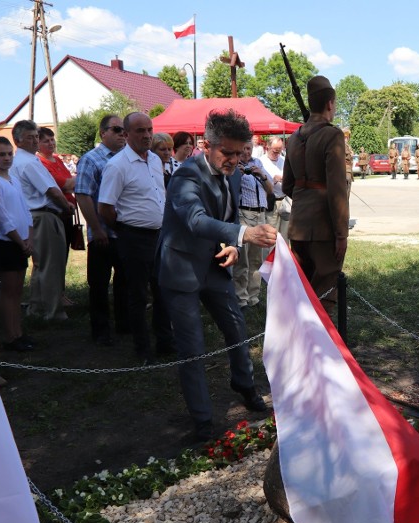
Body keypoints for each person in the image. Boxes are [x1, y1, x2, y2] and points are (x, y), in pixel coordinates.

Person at [157, 109, 276, 440]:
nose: (235, 160)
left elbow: (225, 213)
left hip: (214, 264)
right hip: (180, 268)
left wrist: (232, 245)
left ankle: (244, 384)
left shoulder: (234, 172)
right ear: (205, 145)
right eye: (228, 152)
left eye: (240, 152)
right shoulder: (184, 177)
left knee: (237, 327)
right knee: (192, 346)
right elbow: (195, 220)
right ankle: (203, 420)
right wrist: (244, 235)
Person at [98, 112, 173, 363]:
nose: (147, 135)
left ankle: (164, 341)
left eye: (149, 129)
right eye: (140, 131)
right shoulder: (117, 165)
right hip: (133, 237)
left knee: (163, 290)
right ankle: (142, 349)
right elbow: (105, 207)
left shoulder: (154, 160)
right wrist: (124, 230)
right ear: (126, 134)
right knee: (138, 294)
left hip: (159, 236)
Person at [282, 75, 349, 314]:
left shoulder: (294, 137)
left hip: (298, 226)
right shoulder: (332, 135)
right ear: (330, 103)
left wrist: (306, 195)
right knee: (324, 295)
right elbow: (337, 191)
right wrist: (341, 234)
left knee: (302, 291)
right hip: (324, 229)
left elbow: (286, 186)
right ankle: (321, 348)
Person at [10, 120, 74, 321]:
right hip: (43, 215)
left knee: (40, 265)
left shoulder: (20, 160)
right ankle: (53, 311)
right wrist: (67, 206)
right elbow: (52, 190)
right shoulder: (29, 162)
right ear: (18, 140)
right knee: (51, 265)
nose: (35, 141)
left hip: (32, 215)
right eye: (30, 137)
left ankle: (37, 307)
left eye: (36, 136)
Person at [74, 114, 129, 346]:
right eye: (116, 130)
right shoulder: (91, 159)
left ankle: (124, 325)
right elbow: (83, 194)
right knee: (98, 284)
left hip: (125, 232)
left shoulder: (128, 158)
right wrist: (96, 229)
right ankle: (101, 330)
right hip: (102, 233)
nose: (121, 134)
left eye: (124, 130)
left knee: (125, 282)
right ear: (103, 132)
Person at [0, 137, 34, 351]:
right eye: (1, 154)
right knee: (8, 290)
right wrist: (19, 241)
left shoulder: (12, 179)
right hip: (5, 243)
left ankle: (18, 332)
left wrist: (29, 237)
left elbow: (25, 209)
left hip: (21, 241)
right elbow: (2, 218)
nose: (6, 158)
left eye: (9, 154)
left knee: (17, 291)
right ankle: (10, 336)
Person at [233, 139, 274, 309]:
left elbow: (270, 190)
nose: (246, 152)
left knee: (257, 259)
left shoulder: (258, 163)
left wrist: (261, 175)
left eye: (249, 149)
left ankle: (253, 296)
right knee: (243, 259)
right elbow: (229, 188)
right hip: (244, 212)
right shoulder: (234, 167)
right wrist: (238, 175)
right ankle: (240, 297)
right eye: (243, 149)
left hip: (261, 214)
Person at [37, 126, 77, 285]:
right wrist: (73, 182)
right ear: (38, 143)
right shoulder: (40, 162)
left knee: (64, 252)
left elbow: (69, 184)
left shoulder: (57, 159)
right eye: (46, 140)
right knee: (55, 256)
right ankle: (55, 292)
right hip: (55, 214)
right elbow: (65, 184)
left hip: (67, 212)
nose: (50, 143)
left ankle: (60, 290)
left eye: (52, 139)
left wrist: (70, 183)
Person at [260, 136, 289, 240]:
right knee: (271, 235)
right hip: (271, 201)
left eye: (279, 150)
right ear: (267, 147)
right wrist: (273, 180)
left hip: (285, 201)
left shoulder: (283, 159)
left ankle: (284, 255)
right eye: (275, 151)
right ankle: (271, 256)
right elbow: (259, 184)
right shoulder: (261, 162)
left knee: (285, 235)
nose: (277, 154)